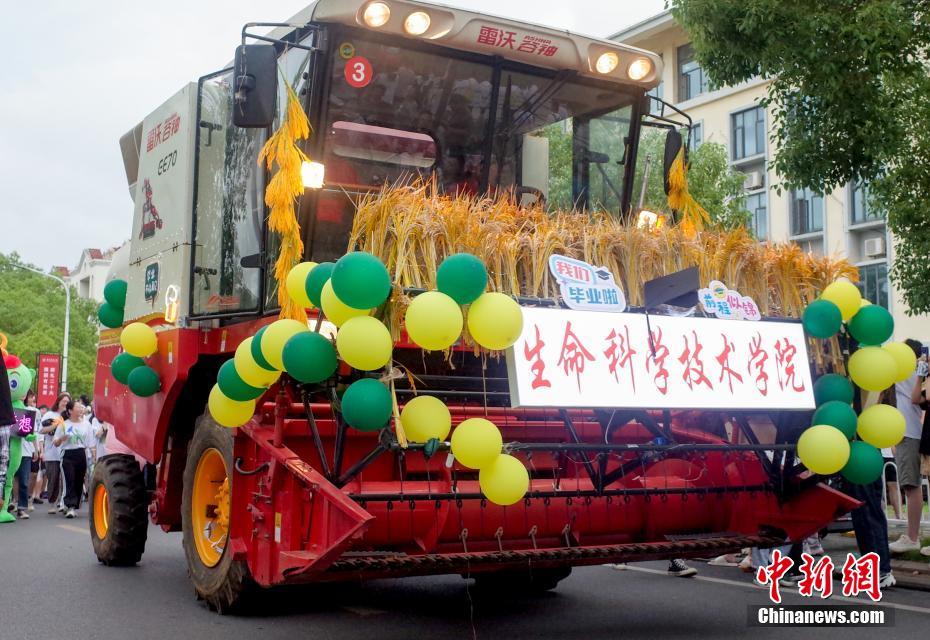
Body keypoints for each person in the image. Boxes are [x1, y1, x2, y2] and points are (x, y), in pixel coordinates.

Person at [889, 339, 926, 554]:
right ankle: (913, 535)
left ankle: (912, 537)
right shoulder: (915, 376)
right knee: (912, 486)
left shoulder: (904, 375)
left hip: (908, 434)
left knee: (911, 486)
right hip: (912, 433)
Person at [53, 399, 90, 518]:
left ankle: (74, 505)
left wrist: (92, 457)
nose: (80, 409)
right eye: (77, 407)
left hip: (81, 454)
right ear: (70, 411)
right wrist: (61, 439)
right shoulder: (64, 424)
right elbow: (55, 442)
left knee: (79, 480)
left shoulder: (86, 424)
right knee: (69, 479)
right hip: (67, 454)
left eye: (81, 407)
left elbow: (90, 443)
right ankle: (70, 506)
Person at [40, 393, 70, 514]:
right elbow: (42, 430)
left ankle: (63, 503)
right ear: (58, 401)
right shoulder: (50, 414)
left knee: (65, 479)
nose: (65, 403)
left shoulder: (70, 416)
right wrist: (56, 424)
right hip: (52, 453)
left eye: (68, 402)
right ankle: (52, 503)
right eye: (64, 401)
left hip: (66, 452)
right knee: (53, 478)